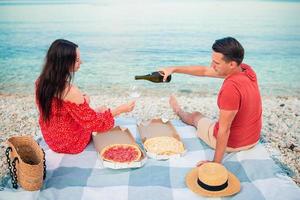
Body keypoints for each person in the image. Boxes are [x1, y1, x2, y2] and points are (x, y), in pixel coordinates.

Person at [159, 37, 262, 165]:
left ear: (232, 64)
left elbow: (224, 130)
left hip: (234, 144)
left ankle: (178, 110)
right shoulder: (247, 70)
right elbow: (204, 71)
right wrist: (173, 69)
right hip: (253, 138)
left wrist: (216, 163)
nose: (211, 66)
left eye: (216, 63)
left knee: (196, 116)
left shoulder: (230, 88)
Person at [35, 39, 135, 154]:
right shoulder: (70, 91)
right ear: (65, 63)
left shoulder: (41, 82)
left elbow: (58, 110)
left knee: (98, 111)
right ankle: (103, 112)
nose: (81, 62)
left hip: (51, 138)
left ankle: (97, 111)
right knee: (101, 114)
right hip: (70, 143)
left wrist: (84, 102)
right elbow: (94, 124)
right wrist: (120, 110)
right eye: (77, 60)